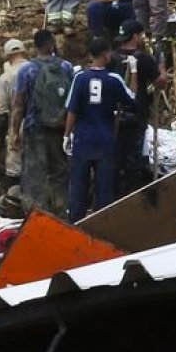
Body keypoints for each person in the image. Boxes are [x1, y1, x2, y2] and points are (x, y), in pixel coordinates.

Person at [65, 38, 134, 222]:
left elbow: (72, 110)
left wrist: (66, 135)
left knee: (79, 186)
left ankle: (75, 222)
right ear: (105, 55)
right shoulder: (114, 80)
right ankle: (102, 223)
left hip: (83, 140)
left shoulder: (80, 78)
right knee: (104, 188)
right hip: (105, 140)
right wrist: (134, 72)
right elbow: (131, 99)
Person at [10, 29, 75, 213]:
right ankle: (63, 211)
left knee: (34, 175)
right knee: (60, 172)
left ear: (35, 46)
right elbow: (73, 101)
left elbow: (18, 105)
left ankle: (36, 215)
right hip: (60, 128)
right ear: (51, 44)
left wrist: (15, 131)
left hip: (35, 128)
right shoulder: (66, 67)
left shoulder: (26, 70)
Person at [108, 20, 164, 195]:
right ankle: (131, 195)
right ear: (135, 36)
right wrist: (161, 66)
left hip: (113, 115)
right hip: (136, 115)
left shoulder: (111, 57)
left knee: (115, 158)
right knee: (134, 159)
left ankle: (113, 194)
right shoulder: (144, 59)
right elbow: (160, 83)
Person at [0, 39, 28, 191]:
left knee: (15, 169)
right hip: (40, 125)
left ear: (7, 56)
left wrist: (0, 137)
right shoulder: (37, 69)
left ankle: (14, 206)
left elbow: (1, 113)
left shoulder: (5, 78)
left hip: (17, 126)